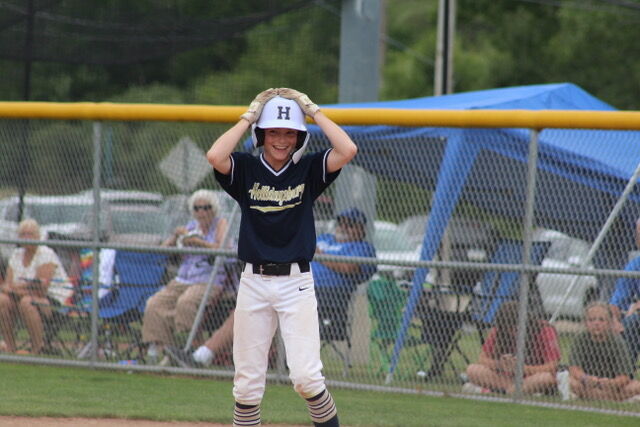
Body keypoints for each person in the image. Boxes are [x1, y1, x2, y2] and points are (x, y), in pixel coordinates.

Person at [207, 88, 357, 427]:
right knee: (246, 386)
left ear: (299, 137)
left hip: (296, 283)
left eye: (289, 132)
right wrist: (250, 115)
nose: (281, 139)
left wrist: (312, 110)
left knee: (306, 378)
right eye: (273, 131)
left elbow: (347, 149)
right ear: (261, 134)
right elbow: (216, 156)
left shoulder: (307, 170)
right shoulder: (245, 168)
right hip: (254, 281)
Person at [166, 208, 377, 369]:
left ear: (361, 229)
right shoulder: (324, 239)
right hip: (290, 285)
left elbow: (350, 267)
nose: (345, 227)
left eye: (351, 224)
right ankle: (201, 356)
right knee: (248, 304)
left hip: (325, 298)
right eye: (342, 222)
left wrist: (317, 253)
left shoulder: (362, 248)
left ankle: (208, 356)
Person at [141, 189, 228, 362]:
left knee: (185, 302)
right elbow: (163, 251)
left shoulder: (220, 224)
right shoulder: (190, 227)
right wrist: (175, 236)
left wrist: (198, 243)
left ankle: (188, 349)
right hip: (184, 278)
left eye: (206, 207)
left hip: (208, 279)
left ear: (214, 208)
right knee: (154, 303)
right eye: (197, 208)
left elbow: (223, 247)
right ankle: (164, 348)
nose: (201, 212)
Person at [0, 219, 73, 354]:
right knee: (2, 300)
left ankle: (37, 349)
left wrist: (17, 288)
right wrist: (25, 287)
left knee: (28, 302)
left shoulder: (45, 253)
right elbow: (6, 286)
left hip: (55, 301)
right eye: (23, 234)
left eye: (30, 234)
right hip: (21, 297)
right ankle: (10, 348)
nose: (27, 238)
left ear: (38, 236)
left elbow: (40, 289)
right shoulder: (16, 254)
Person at [464, 301, 560, 395]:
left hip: (531, 377)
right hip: (505, 378)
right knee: (472, 369)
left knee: (546, 378)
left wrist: (522, 369)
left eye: (516, 327)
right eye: (509, 328)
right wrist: (499, 365)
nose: (513, 332)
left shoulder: (544, 330)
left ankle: (497, 391)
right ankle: (515, 391)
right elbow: (482, 359)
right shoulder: (498, 331)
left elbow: (552, 366)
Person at [567, 302, 640, 401]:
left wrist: (612, 383)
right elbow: (574, 369)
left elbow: (624, 377)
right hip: (587, 383)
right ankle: (614, 398)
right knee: (572, 383)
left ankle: (589, 396)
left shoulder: (618, 342)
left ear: (610, 323)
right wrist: (586, 378)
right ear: (585, 323)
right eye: (592, 320)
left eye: (601, 320)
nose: (596, 323)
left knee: (636, 386)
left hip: (610, 385)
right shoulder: (581, 339)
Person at [609, 216, 640, 368]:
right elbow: (616, 301)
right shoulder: (635, 264)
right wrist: (614, 321)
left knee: (633, 319)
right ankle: (623, 378)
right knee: (629, 323)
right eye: (638, 235)